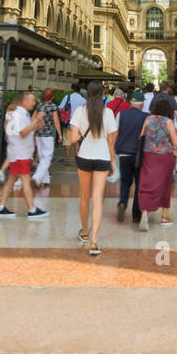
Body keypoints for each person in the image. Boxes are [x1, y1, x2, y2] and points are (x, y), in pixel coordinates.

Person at [70, 81, 117, 255]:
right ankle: (94, 241)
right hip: (103, 156)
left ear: (87, 94)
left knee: (84, 196)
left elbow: (73, 138)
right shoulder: (109, 113)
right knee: (97, 199)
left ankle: (84, 232)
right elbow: (111, 141)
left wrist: (82, 133)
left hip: (85, 156)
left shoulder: (79, 111)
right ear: (102, 93)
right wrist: (111, 161)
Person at [0, 90, 48, 221]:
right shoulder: (19, 115)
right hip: (20, 153)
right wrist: (35, 122)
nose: (34, 103)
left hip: (17, 152)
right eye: (32, 100)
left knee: (12, 179)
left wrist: (36, 124)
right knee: (25, 179)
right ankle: (32, 209)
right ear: (24, 101)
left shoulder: (20, 114)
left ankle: (0, 208)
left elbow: (25, 131)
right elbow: (23, 133)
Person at [137, 96, 177, 230]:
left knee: (146, 182)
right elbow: (176, 143)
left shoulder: (148, 119)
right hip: (164, 156)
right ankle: (164, 217)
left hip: (148, 155)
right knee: (165, 185)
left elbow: (141, 136)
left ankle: (144, 213)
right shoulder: (168, 121)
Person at [115, 88, 148, 223]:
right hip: (139, 155)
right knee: (140, 184)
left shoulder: (121, 114)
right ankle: (136, 214)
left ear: (130, 102)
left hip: (123, 153)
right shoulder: (146, 116)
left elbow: (116, 133)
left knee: (125, 181)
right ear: (142, 104)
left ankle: (123, 202)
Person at [32, 88, 62, 188]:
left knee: (41, 157)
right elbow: (56, 122)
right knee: (47, 157)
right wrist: (60, 134)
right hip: (48, 135)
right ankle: (38, 177)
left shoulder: (39, 105)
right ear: (52, 97)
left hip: (38, 134)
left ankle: (45, 180)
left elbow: (33, 119)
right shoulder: (53, 107)